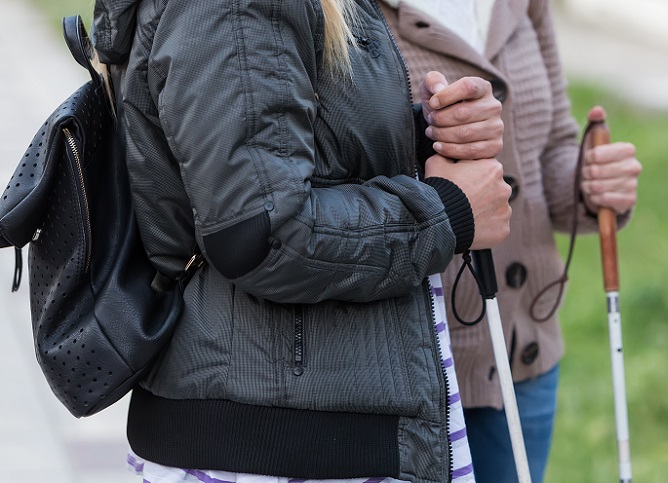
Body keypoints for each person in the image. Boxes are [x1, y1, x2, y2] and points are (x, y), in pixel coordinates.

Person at [91, 0, 513, 482]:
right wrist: (447, 212)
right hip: (274, 441)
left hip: (316, 413)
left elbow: (277, 154)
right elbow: (262, 233)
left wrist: (430, 138)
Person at [378, 1, 642, 482]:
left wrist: (590, 184)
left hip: (526, 352)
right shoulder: (345, 11)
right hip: (417, 369)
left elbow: (553, 147)